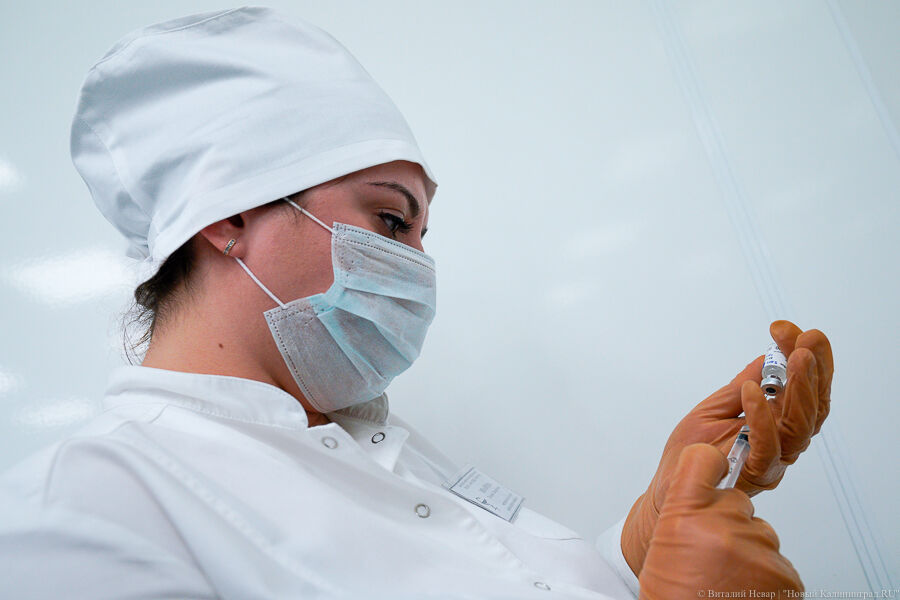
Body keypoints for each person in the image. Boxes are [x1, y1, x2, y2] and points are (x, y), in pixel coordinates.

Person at [0, 7, 833, 599]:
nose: (417, 266)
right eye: (392, 220)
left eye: (422, 234)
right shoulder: (87, 507)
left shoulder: (374, 445)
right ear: (229, 216)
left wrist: (646, 536)